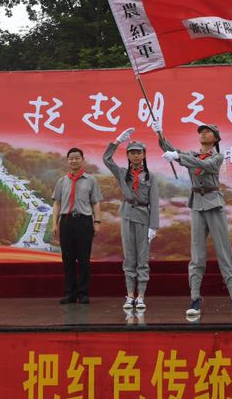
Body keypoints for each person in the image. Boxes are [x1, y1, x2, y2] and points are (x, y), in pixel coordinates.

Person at [154, 121, 232, 318]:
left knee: (223, 252)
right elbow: (170, 150)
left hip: (214, 204)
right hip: (197, 204)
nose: (203, 134)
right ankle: (195, 297)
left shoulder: (217, 157)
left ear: (215, 138)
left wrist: (179, 157)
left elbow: (205, 165)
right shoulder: (192, 155)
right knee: (197, 254)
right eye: (201, 132)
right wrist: (160, 134)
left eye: (207, 132)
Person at [103, 127, 159, 310]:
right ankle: (130, 295)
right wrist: (117, 141)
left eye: (139, 152)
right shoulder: (122, 173)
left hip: (144, 218)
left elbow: (154, 201)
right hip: (127, 215)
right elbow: (107, 159)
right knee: (129, 258)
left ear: (144, 155)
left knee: (142, 258)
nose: (135, 155)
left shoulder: (150, 176)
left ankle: (141, 295)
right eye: (132, 153)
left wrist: (154, 226)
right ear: (127, 155)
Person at [52, 148, 102, 304]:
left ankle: (83, 293)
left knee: (84, 259)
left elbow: (95, 203)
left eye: (77, 158)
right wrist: (55, 223)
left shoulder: (91, 180)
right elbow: (57, 203)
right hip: (66, 221)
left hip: (84, 221)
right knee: (68, 259)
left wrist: (97, 222)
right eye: (71, 158)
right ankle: (70, 293)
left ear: (82, 160)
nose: (74, 161)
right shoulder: (61, 181)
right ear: (68, 161)